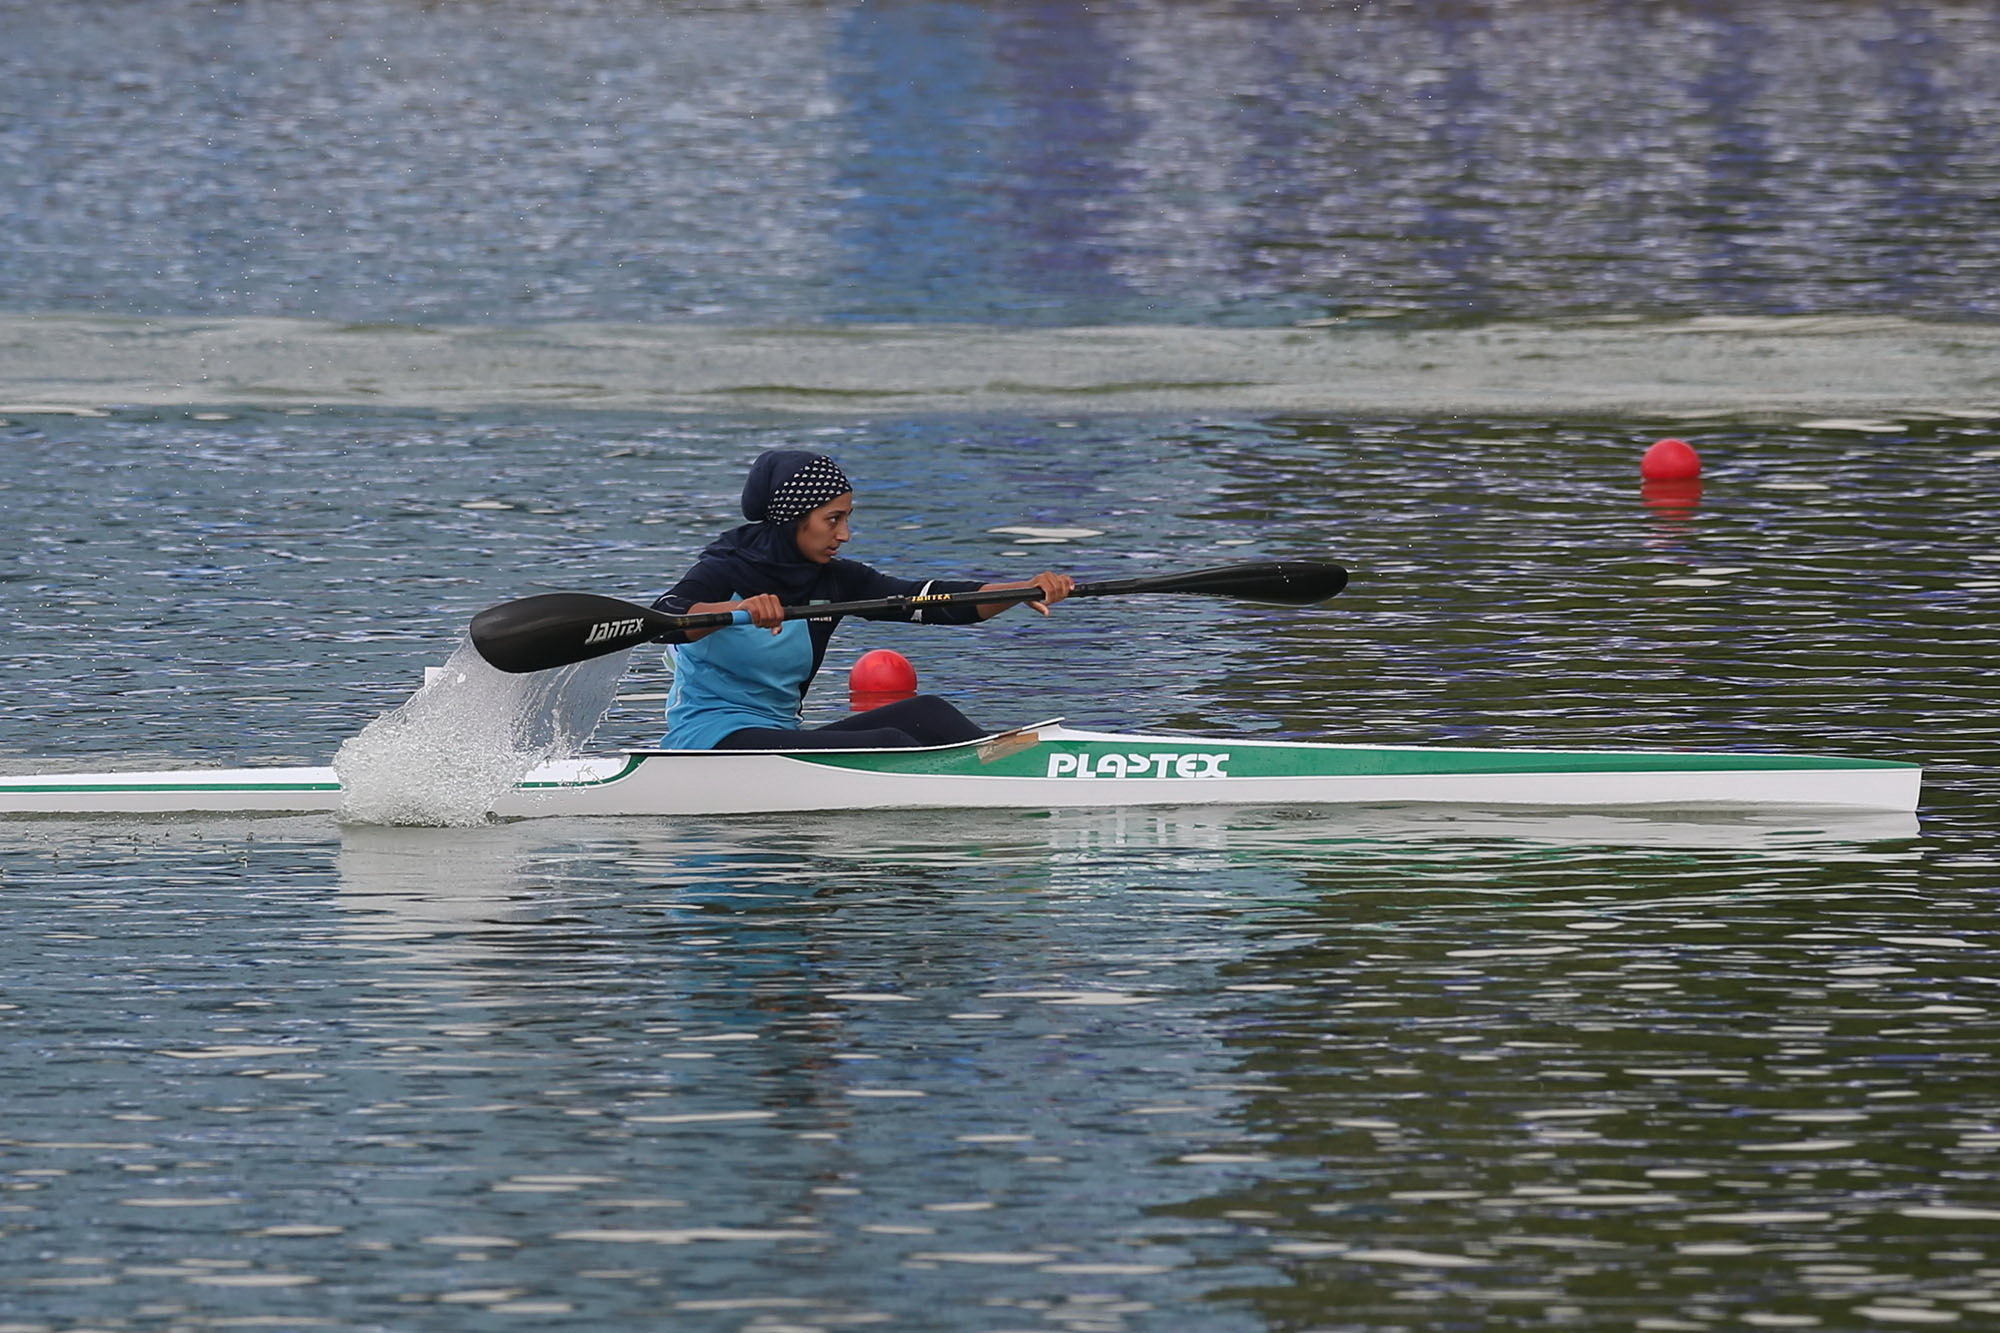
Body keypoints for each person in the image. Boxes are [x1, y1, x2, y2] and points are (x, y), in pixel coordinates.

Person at [652, 449, 1073, 751]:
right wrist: (736, 611)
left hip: (777, 736)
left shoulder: (835, 579)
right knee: (889, 743)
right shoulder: (724, 569)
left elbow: (932, 600)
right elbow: (664, 618)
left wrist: (1021, 591)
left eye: (847, 518)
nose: (844, 534)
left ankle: (1012, 765)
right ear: (793, 520)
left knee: (929, 713)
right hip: (707, 741)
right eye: (832, 519)